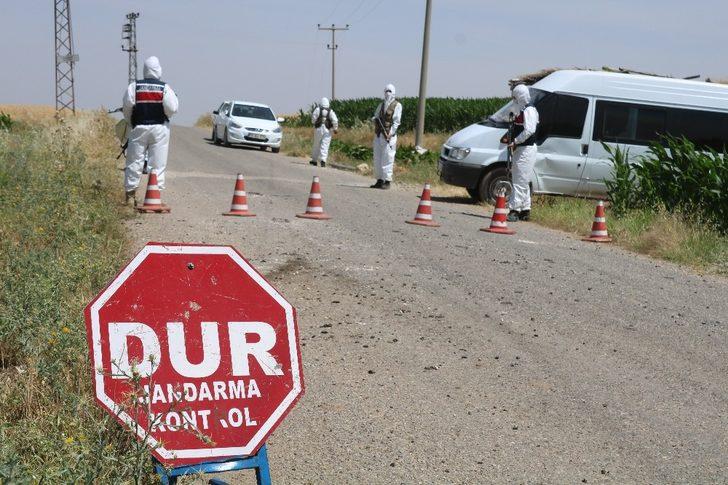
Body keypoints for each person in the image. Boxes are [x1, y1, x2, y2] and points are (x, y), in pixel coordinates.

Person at [122, 56, 179, 206]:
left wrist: (131, 122)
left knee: (134, 161)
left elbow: (127, 108)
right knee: (157, 163)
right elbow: (172, 108)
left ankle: (130, 197)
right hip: (159, 129)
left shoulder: (134, 87)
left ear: (145, 70)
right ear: (158, 69)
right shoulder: (164, 88)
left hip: (139, 128)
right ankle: (154, 197)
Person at [492, 84, 539, 221]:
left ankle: (514, 210)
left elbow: (529, 130)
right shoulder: (522, 109)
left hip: (526, 149)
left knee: (519, 181)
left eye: (515, 97)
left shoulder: (529, 110)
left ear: (520, 96)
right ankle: (525, 210)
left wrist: (516, 141)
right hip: (522, 149)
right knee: (522, 180)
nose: (514, 100)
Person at [370, 83, 402, 189]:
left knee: (388, 158)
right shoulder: (381, 105)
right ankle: (379, 180)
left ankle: (387, 181)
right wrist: (374, 119)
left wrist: (390, 133)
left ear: (393, 93)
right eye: (386, 91)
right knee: (377, 158)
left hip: (389, 137)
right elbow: (376, 115)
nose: (388, 93)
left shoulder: (397, 105)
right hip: (379, 135)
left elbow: (396, 122)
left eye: (390, 91)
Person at [309, 97, 338, 168]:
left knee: (316, 144)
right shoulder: (331, 111)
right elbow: (335, 120)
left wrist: (314, 123)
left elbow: (313, 119)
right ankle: (323, 161)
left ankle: (314, 160)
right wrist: (335, 128)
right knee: (325, 145)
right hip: (328, 130)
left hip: (318, 129)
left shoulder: (317, 109)